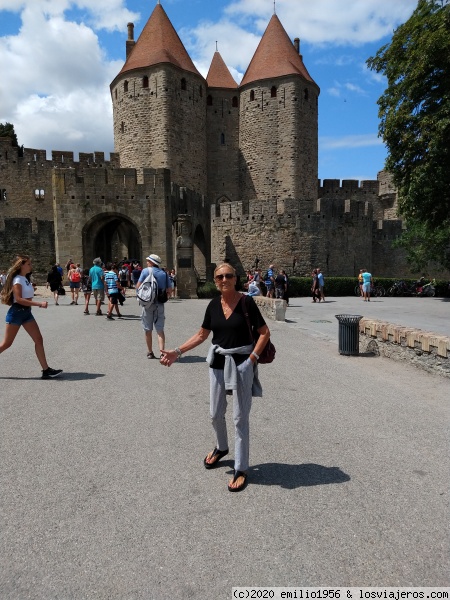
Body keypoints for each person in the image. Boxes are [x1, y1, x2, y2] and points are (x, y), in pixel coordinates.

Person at [160, 262, 270, 493]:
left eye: (229, 275)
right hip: (218, 362)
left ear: (235, 278)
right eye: (219, 276)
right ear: (215, 280)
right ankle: (221, 447)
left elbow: (264, 333)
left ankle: (241, 468)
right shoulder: (213, 304)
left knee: (240, 418)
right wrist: (176, 352)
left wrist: (251, 360)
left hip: (242, 363)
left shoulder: (247, 302)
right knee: (215, 413)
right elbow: (202, 334)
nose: (224, 279)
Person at [0, 255, 62, 379]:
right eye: (28, 264)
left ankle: (46, 370)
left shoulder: (24, 278)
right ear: (21, 265)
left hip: (26, 313)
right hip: (16, 313)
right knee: (7, 344)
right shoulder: (17, 280)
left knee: (38, 339)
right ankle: (46, 370)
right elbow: (18, 299)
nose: (30, 266)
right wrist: (39, 304)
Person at [136, 254, 171, 359]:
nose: (147, 262)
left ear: (152, 262)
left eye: (148, 261)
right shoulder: (164, 274)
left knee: (148, 329)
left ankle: (150, 352)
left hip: (147, 304)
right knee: (160, 329)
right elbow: (169, 290)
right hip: (159, 303)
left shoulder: (145, 271)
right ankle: (162, 352)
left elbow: (138, 286)